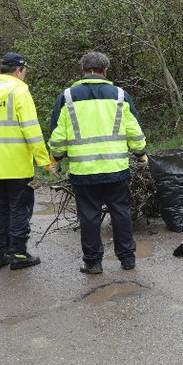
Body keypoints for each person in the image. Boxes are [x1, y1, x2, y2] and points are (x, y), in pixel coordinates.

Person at [48, 51, 147, 275]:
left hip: (84, 171)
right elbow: (134, 130)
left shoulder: (68, 97)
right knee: (121, 211)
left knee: (89, 216)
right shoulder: (120, 95)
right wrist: (140, 153)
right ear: (105, 71)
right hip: (116, 168)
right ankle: (127, 259)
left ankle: (93, 263)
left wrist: (56, 157)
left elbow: (58, 136)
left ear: (83, 71)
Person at [0, 52, 55, 270]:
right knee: (19, 209)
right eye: (24, 71)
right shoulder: (19, 90)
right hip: (16, 165)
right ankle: (18, 254)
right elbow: (31, 128)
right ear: (18, 70)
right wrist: (44, 161)